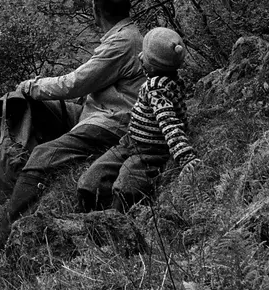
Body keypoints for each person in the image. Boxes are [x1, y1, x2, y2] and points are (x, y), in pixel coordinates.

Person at [0, 0, 143, 249]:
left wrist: (32, 85)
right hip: (96, 113)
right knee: (31, 106)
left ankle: (2, 232)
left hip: (111, 123)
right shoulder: (128, 35)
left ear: (96, 10)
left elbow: (74, 84)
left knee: (42, 153)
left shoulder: (121, 43)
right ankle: (12, 173)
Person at [75, 26, 200, 213]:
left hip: (151, 151)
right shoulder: (167, 81)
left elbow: (169, 124)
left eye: (146, 56)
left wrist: (185, 156)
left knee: (125, 189)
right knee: (91, 180)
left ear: (153, 65)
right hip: (129, 142)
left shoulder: (157, 91)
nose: (140, 57)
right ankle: (91, 214)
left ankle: (114, 223)